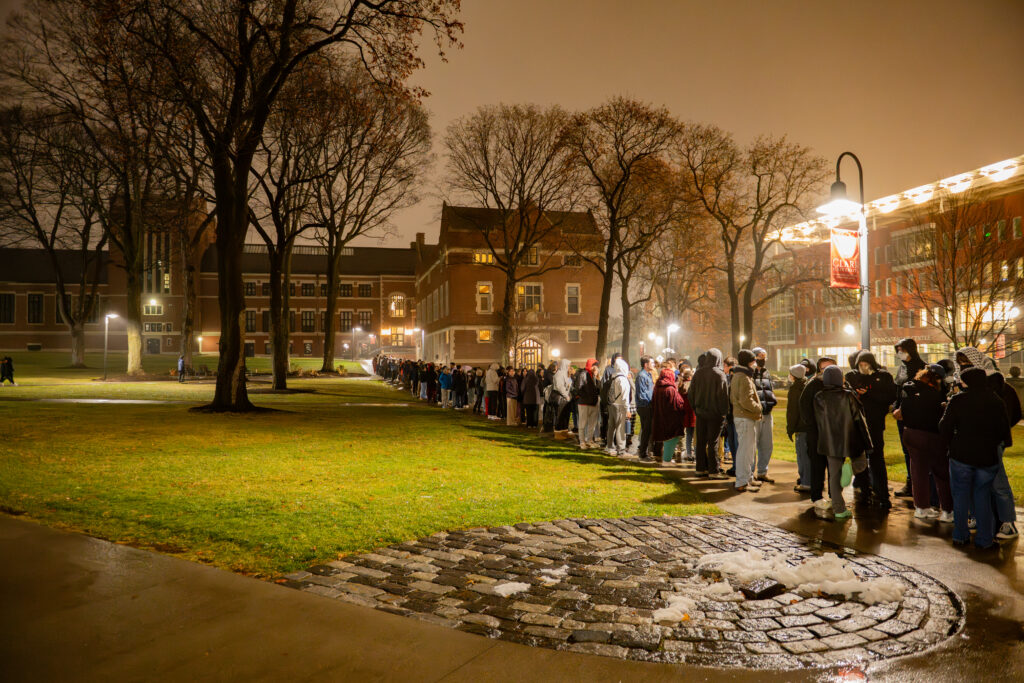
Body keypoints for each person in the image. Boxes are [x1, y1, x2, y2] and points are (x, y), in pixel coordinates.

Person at [940, 367, 1012, 550]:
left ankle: (960, 535)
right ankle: (985, 539)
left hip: (961, 455)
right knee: (982, 497)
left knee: (961, 496)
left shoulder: (958, 400)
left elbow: (945, 426)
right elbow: (1004, 430)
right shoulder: (995, 400)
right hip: (987, 457)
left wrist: (950, 443)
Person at [813, 365, 871, 521]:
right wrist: (868, 443)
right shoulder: (848, 396)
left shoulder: (819, 396)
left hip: (829, 441)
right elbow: (860, 421)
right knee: (861, 463)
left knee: (833, 476)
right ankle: (850, 469)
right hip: (851, 439)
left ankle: (839, 509)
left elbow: (818, 420)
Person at [897, 365, 954, 521]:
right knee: (941, 473)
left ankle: (922, 508)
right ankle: (948, 511)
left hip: (909, 433)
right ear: (935, 379)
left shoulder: (907, 390)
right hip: (930, 435)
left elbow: (898, 413)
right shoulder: (934, 395)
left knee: (918, 472)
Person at [846, 350, 897, 510]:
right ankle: (864, 490)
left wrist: (869, 394)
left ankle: (882, 494)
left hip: (875, 424)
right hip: (857, 425)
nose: (863, 367)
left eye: (865, 364)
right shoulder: (851, 376)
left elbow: (889, 396)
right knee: (859, 459)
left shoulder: (884, 377)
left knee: (876, 459)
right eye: (860, 364)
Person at [800, 356, 838, 519]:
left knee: (835, 466)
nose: (827, 372)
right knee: (817, 464)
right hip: (817, 433)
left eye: (831, 368)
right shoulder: (813, 385)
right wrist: (813, 426)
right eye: (824, 369)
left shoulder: (840, 385)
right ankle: (817, 496)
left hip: (835, 434)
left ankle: (835, 495)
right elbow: (804, 407)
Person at [892, 338, 926, 497]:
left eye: (902, 350)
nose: (900, 353)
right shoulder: (902, 368)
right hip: (901, 415)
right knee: (907, 450)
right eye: (898, 350)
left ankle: (920, 485)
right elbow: (898, 389)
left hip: (916, 416)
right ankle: (910, 483)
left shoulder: (922, 368)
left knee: (917, 452)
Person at [689, 348, 730, 477]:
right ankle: (713, 470)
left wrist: (696, 408)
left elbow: (691, 394)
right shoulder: (720, 374)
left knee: (701, 441)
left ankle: (700, 468)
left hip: (701, 413)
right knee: (713, 442)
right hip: (715, 414)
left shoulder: (698, 373)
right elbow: (723, 396)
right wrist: (724, 413)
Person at [730, 349, 762, 491]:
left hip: (743, 416)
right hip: (745, 417)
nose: (755, 363)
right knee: (745, 450)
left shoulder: (740, 375)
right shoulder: (743, 377)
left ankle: (747, 477)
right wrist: (759, 408)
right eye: (753, 360)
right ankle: (742, 481)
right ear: (749, 362)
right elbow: (745, 400)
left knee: (748, 450)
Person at [651, 365, 689, 465]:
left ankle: (666, 458)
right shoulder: (670, 389)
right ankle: (666, 460)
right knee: (672, 437)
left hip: (660, 416)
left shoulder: (657, 387)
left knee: (666, 438)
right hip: (671, 418)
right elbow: (677, 404)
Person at [750, 347, 777, 484]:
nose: (763, 360)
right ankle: (750, 473)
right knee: (753, 444)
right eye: (760, 356)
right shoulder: (750, 373)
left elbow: (769, 390)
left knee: (767, 444)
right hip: (755, 414)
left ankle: (762, 472)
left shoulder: (767, 373)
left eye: (764, 357)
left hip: (767, 413)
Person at [786, 364, 811, 492]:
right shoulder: (807, 386)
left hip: (801, 428)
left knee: (802, 455)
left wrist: (790, 429)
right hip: (809, 426)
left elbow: (792, 412)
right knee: (807, 455)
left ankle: (806, 482)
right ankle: (807, 479)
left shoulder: (795, 390)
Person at [604, 358, 634, 456]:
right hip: (620, 406)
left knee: (611, 427)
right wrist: (628, 410)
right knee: (621, 429)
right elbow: (625, 397)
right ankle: (621, 450)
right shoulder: (623, 379)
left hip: (612, 405)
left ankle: (609, 447)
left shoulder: (614, 377)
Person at [575, 359, 601, 449]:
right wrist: (587, 397)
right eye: (595, 365)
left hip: (593, 403)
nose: (597, 368)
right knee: (582, 423)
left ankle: (589, 440)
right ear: (591, 365)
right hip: (584, 403)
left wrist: (596, 378)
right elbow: (579, 388)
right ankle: (582, 441)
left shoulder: (593, 375)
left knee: (592, 424)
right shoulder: (583, 374)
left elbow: (598, 389)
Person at [635, 356, 655, 460]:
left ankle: (644, 452)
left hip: (648, 405)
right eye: (652, 362)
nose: (654, 364)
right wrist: (649, 403)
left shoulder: (648, 375)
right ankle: (643, 453)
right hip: (645, 406)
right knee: (646, 430)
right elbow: (642, 394)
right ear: (646, 364)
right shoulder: (642, 376)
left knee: (647, 430)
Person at [552, 359, 574, 437]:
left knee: (565, 415)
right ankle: (559, 433)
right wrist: (566, 395)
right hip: (560, 397)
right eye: (568, 366)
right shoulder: (559, 374)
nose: (569, 367)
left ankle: (564, 432)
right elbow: (559, 387)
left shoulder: (565, 374)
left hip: (565, 398)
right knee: (560, 415)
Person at [680, 368, 696, 462]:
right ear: (690, 376)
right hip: (693, 412)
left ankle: (689, 453)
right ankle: (696, 453)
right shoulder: (693, 385)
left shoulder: (681, 386)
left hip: (685, 413)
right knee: (695, 435)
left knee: (688, 434)